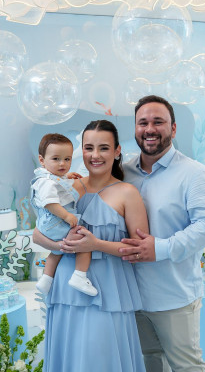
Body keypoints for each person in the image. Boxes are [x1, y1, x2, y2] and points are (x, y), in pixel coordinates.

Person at [118, 95, 205, 372]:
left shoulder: (194, 174)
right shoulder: (123, 173)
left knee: (187, 367)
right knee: (151, 364)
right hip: (132, 297)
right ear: (135, 128)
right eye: (143, 123)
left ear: (173, 129)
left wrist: (161, 248)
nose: (149, 129)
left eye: (158, 122)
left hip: (174, 297)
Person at [33, 120, 148, 372]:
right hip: (65, 291)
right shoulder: (66, 186)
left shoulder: (127, 192)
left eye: (103, 148)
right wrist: (61, 245)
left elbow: (140, 250)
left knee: (101, 360)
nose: (95, 155)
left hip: (107, 292)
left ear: (117, 151)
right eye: (88, 148)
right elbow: (37, 234)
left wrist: (95, 244)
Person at [31, 133, 97, 296]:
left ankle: (46, 280)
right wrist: (66, 216)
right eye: (56, 159)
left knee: (55, 252)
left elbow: (55, 181)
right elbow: (50, 203)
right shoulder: (47, 183)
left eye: (67, 159)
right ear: (42, 160)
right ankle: (79, 276)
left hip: (47, 224)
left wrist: (66, 176)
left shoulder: (47, 178)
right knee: (84, 244)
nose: (62, 163)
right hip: (56, 221)